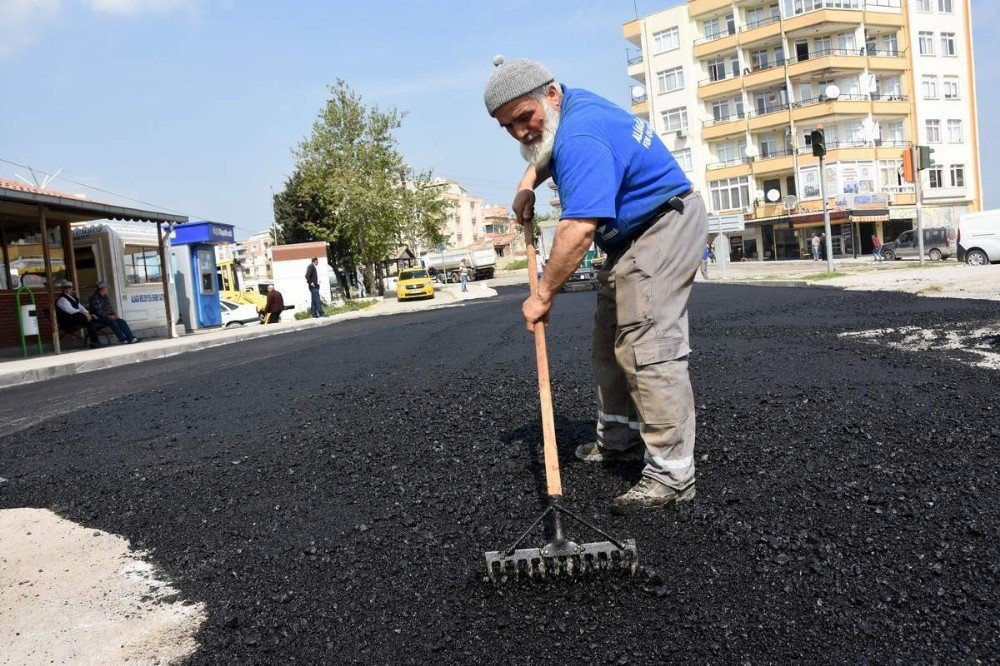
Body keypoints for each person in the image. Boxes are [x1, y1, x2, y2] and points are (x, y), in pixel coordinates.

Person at [485, 56, 707, 511]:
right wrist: (529, 178)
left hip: (659, 228)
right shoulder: (572, 106)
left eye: (524, 118)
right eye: (507, 126)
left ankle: (672, 473)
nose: (520, 132)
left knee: (648, 347)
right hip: (630, 237)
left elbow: (579, 229)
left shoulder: (581, 136)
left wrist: (542, 294)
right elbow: (545, 146)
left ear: (550, 93)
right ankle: (618, 439)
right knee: (608, 344)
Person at [55, 281, 102, 348]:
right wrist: (85, 314)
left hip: (74, 318)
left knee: (90, 320)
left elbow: (80, 307)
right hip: (67, 321)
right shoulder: (62, 299)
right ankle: (95, 342)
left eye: (69, 287)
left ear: (72, 288)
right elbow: (70, 310)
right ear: (62, 289)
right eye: (65, 287)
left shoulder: (72, 298)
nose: (68, 289)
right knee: (90, 320)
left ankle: (94, 342)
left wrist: (88, 313)